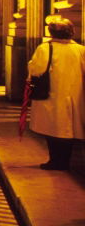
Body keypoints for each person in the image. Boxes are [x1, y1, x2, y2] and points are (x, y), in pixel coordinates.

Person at [28, 16, 85, 170]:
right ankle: (65, 161)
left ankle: (55, 161)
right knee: (69, 129)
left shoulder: (45, 48)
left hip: (52, 94)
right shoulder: (80, 49)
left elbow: (37, 69)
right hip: (75, 94)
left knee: (52, 129)